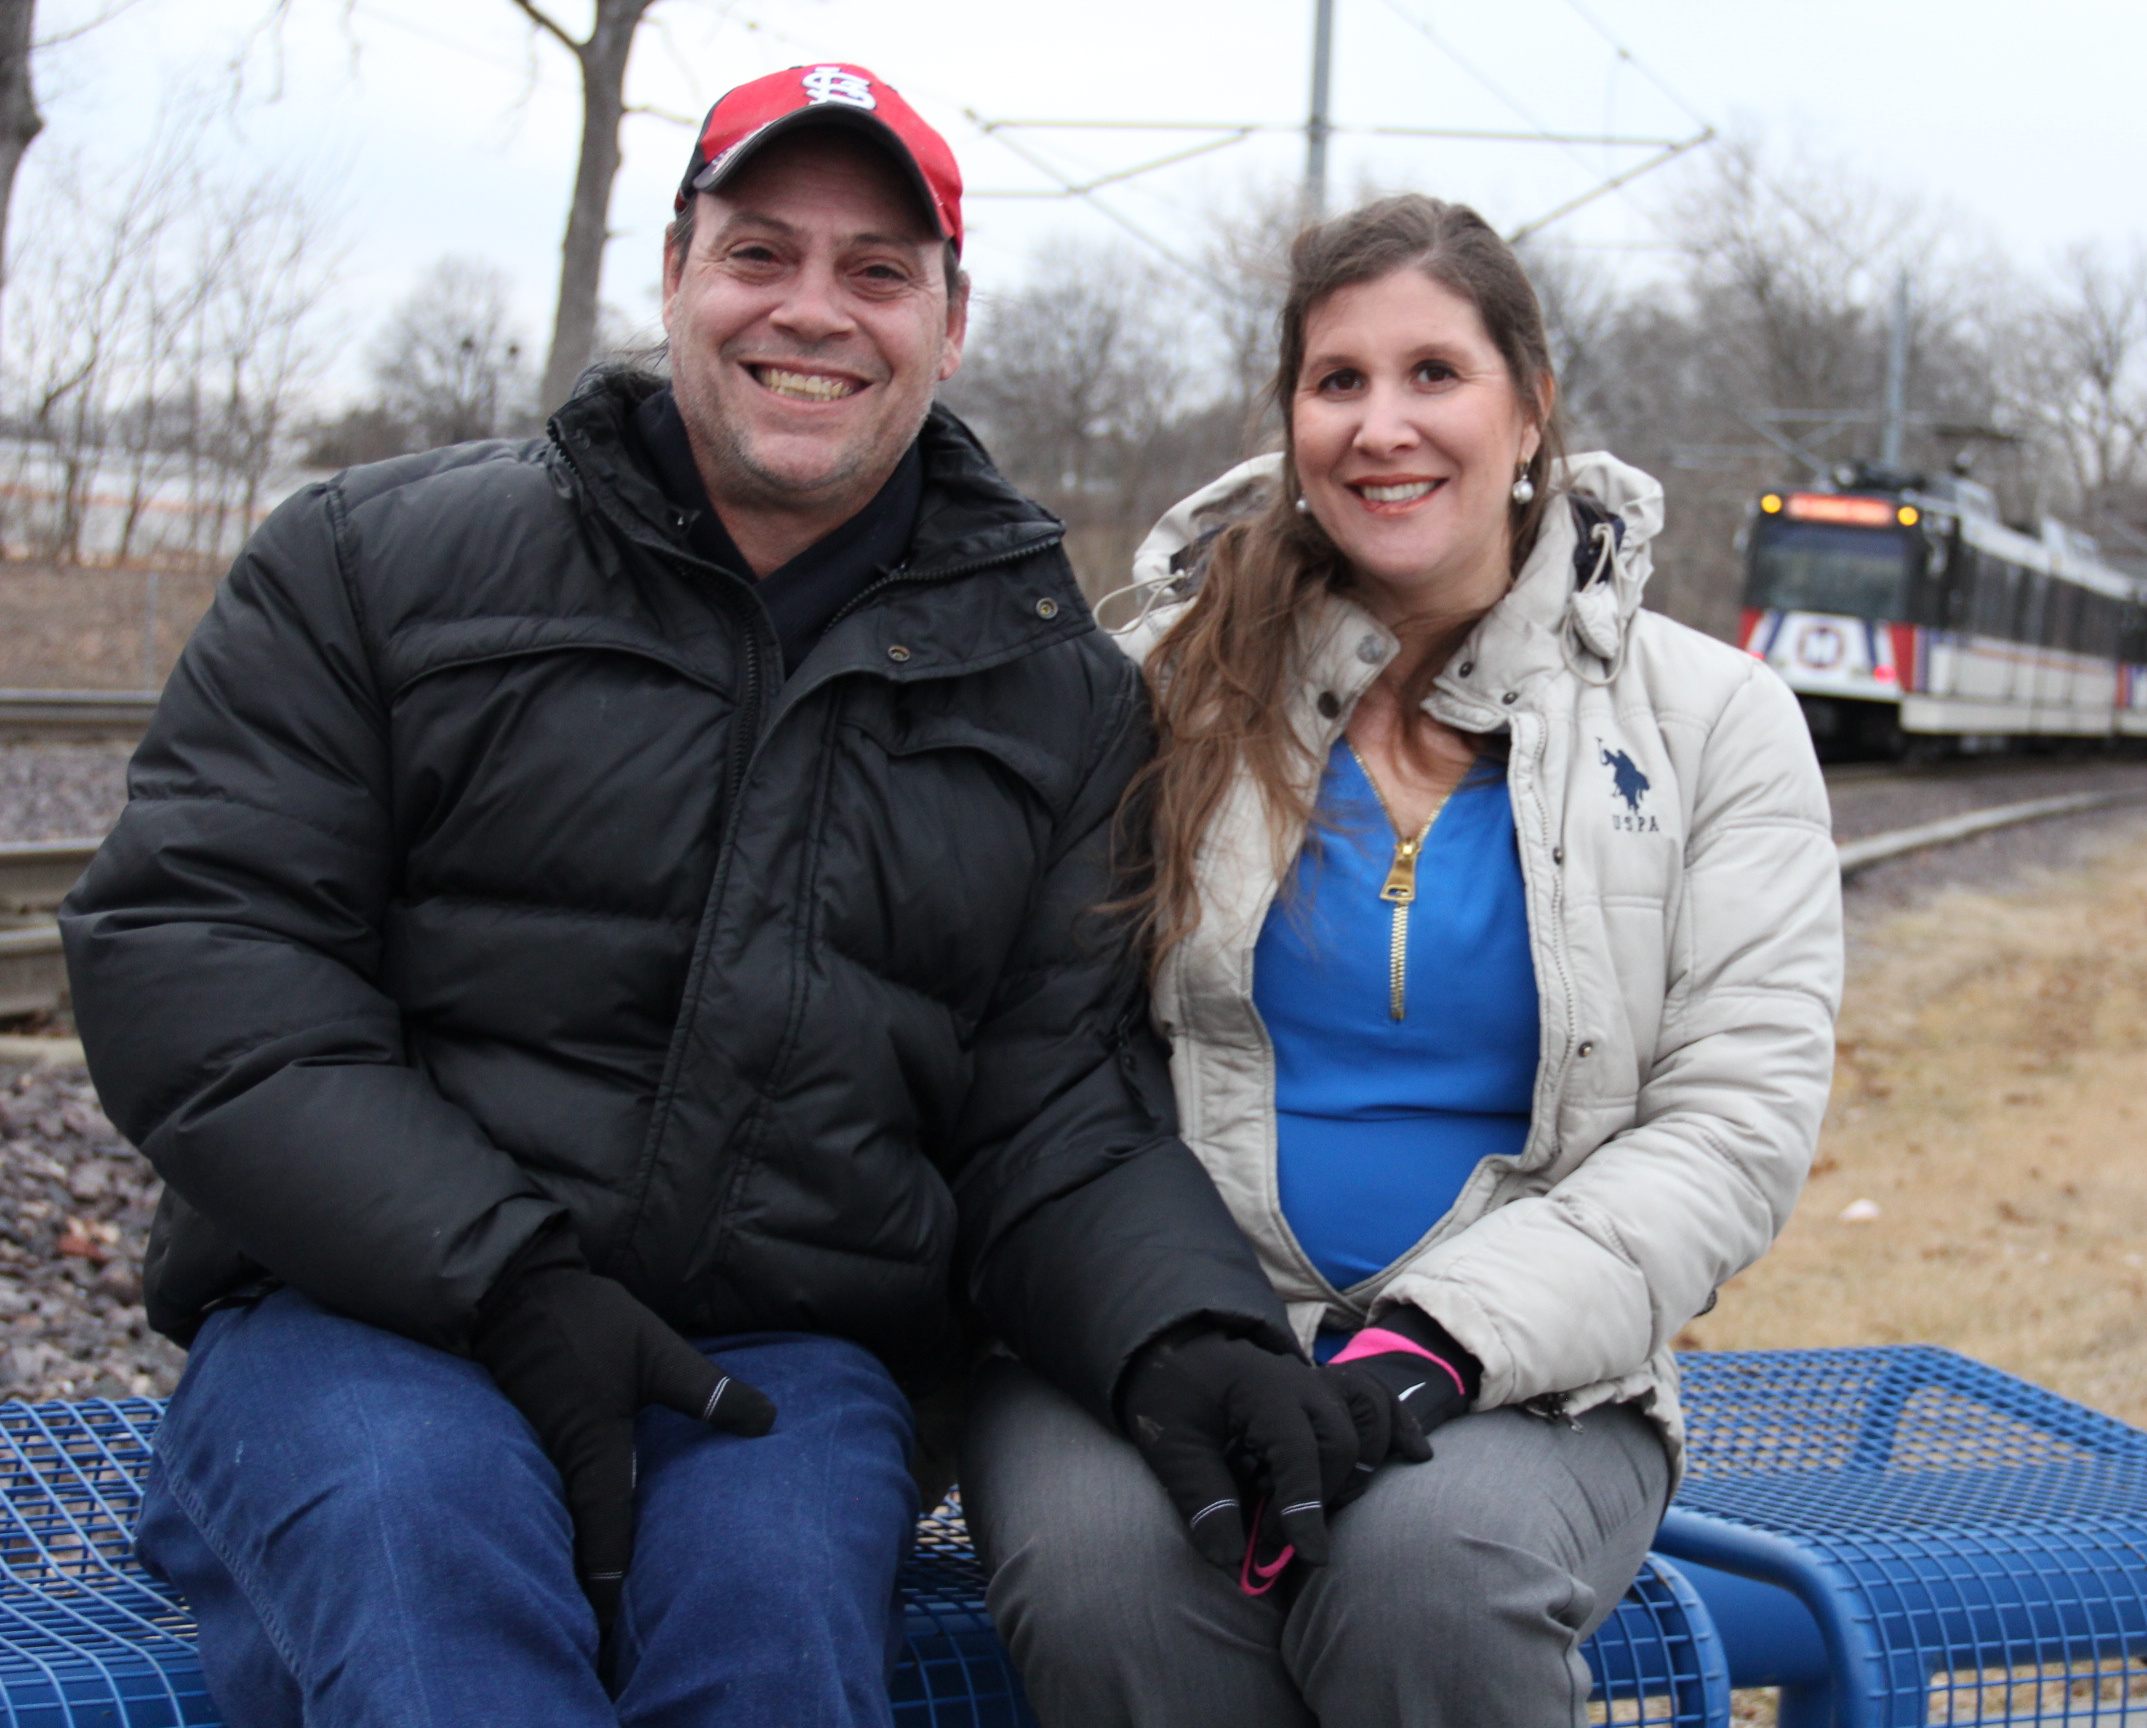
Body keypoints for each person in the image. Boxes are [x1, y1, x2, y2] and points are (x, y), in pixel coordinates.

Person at [59, 63, 1346, 1728]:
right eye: (759, 253)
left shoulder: (1055, 698)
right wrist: (509, 1280)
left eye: (877, 270)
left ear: (950, 326)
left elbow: (1048, 1106)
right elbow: (201, 953)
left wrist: (1185, 1330)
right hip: (364, 1311)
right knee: (434, 1602)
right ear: (674, 274)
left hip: (782, 1359)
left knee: (775, 1641)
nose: (813, 310)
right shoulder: (373, 564)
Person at [960, 194, 1846, 1726]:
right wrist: (1176, 1333)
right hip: (1154, 1330)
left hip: (1525, 1370)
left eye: (1435, 372)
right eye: (1339, 381)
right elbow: (1039, 1062)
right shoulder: (1152, 695)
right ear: (1292, 418)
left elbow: (1735, 1120)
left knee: (1426, 1578)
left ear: (1531, 409)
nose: (1383, 426)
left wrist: (1437, 1344)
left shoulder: (1712, 722)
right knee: (1112, 1583)